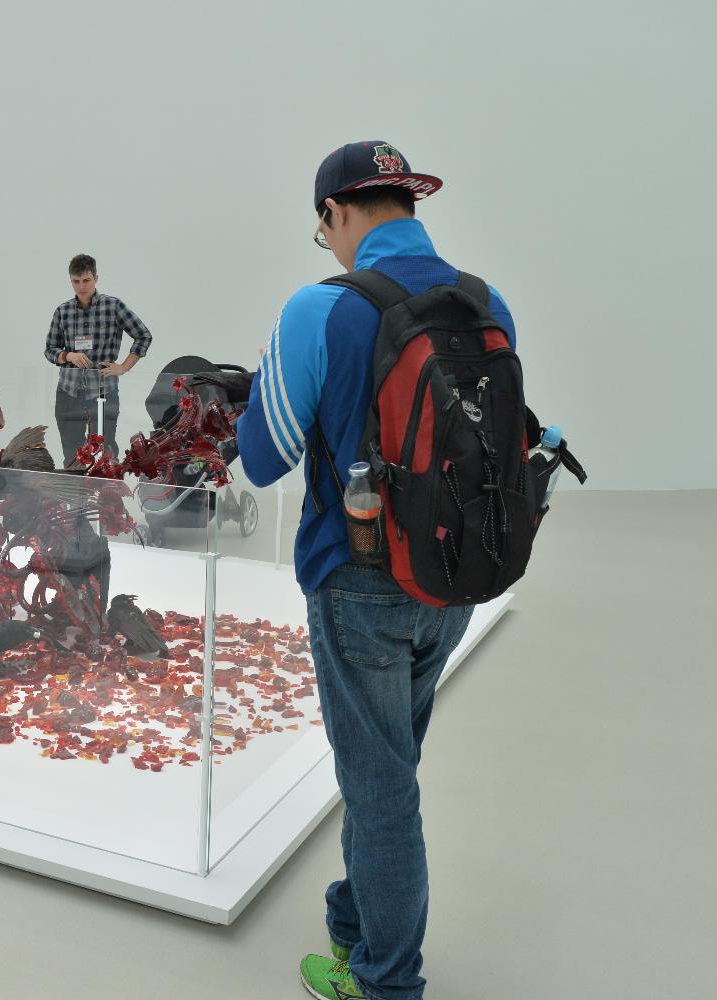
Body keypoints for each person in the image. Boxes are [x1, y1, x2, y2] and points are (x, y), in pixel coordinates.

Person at [235, 143, 517, 1000]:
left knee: (381, 790)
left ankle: (387, 984)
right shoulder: (485, 301)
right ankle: (354, 921)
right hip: (457, 578)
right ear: (408, 204)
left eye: (324, 228)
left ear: (336, 213)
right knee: (388, 768)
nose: (327, 243)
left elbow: (263, 458)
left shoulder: (319, 308)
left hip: (358, 586)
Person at [43, 253, 152, 461]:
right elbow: (50, 350)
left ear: (96, 278)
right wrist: (68, 355)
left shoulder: (113, 306)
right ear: (70, 281)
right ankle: (75, 482)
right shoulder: (62, 311)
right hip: (68, 392)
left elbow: (143, 335)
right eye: (76, 281)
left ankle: (107, 482)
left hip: (103, 392)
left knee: (106, 452)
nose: (81, 286)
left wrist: (124, 367)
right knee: (72, 454)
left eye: (86, 280)